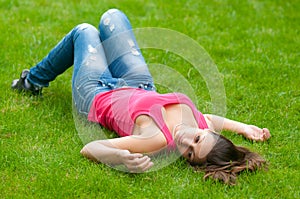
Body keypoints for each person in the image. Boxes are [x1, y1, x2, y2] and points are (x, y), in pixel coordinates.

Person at [11, 9, 271, 185]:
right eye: (197, 138)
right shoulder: (201, 124)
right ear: (208, 133)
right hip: (139, 85)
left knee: (85, 31)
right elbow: (212, 118)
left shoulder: (157, 139)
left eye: (190, 154)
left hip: (98, 94)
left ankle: (31, 81)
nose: (186, 141)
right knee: (112, 16)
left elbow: (88, 148)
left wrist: (119, 157)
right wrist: (245, 128)